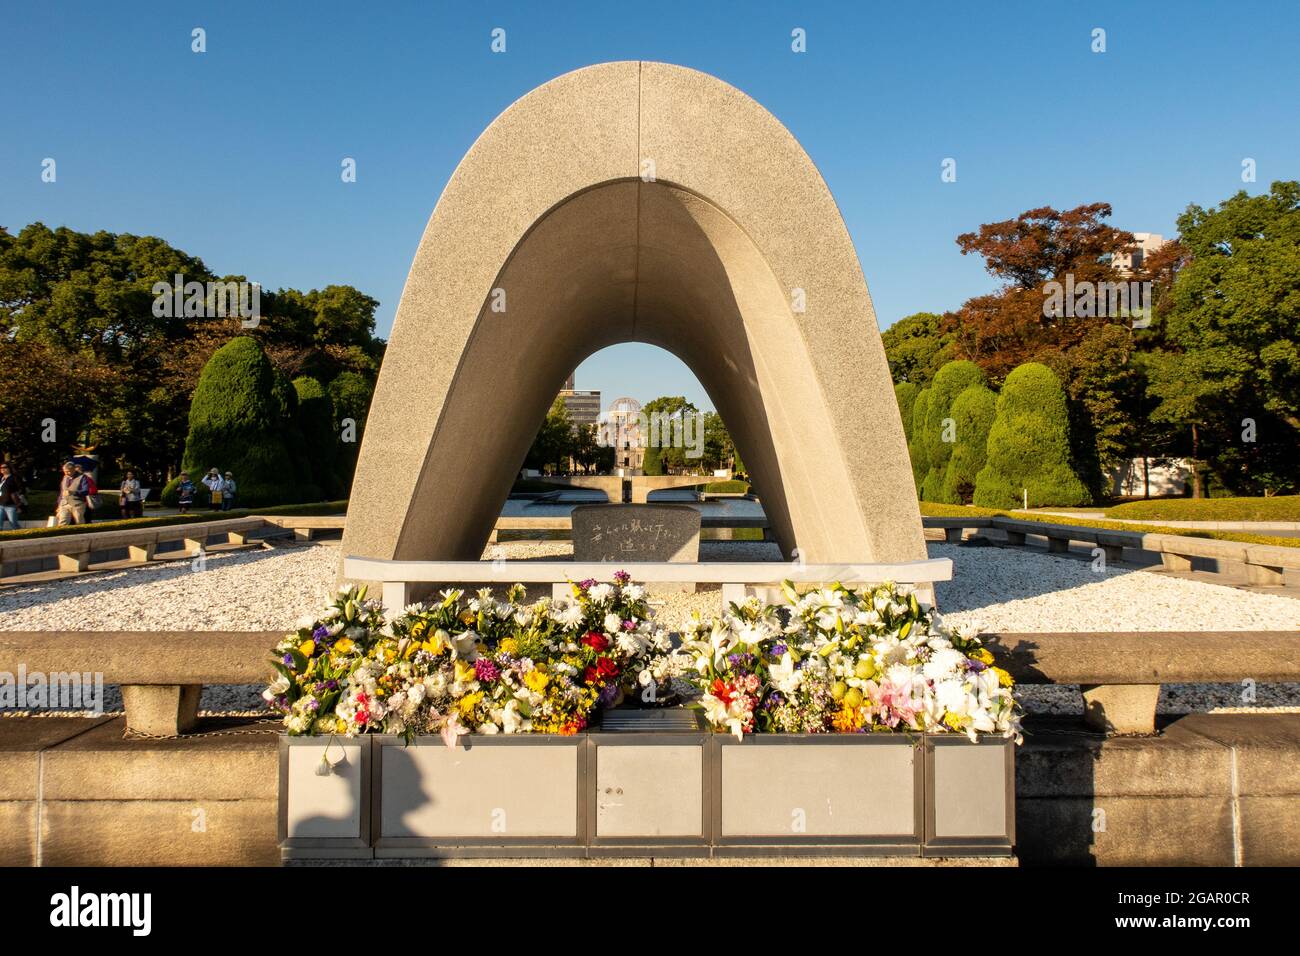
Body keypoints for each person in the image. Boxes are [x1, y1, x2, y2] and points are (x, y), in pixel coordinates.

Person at [56, 462, 89, 526]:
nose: (66, 473)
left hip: (77, 504)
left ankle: (81, 535)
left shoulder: (82, 477)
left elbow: (86, 491)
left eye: (68, 471)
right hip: (64, 503)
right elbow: (61, 493)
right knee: (62, 522)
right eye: (64, 471)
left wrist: (73, 492)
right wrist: (59, 505)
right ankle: (62, 535)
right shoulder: (65, 477)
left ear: (74, 469)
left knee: (79, 522)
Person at [0, 461, 25, 531]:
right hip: (0, 504)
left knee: (13, 523)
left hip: (11, 505)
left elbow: (22, 489)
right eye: (1, 468)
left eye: (4, 467)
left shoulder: (14, 478)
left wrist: (19, 500)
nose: (2, 469)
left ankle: (22, 536)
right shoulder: (1, 478)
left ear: (9, 468)